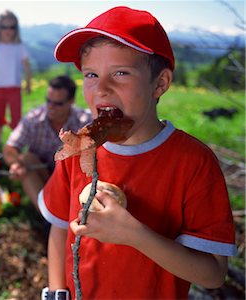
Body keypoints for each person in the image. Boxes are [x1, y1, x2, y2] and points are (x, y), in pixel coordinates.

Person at [38, 6, 236, 300]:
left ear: (160, 83)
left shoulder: (193, 162)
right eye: (91, 74)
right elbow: (59, 229)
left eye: (120, 73)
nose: (102, 89)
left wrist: (133, 235)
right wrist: (56, 293)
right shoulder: (78, 150)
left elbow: (212, 274)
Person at [3, 75, 91, 212]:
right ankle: (47, 215)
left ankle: (71, 211)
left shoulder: (84, 121)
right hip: (42, 177)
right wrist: (15, 164)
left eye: (58, 104)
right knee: (25, 159)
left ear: (71, 102)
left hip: (72, 178)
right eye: (48, 101)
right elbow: (10, 148)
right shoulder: (34, 119)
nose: (51, 107)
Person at [0, 10, 31, 157]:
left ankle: (16, 143)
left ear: (16, 29)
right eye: (5, 27)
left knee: (16, 117)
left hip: (14, 87)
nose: (8, 31)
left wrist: (28, 82)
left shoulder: (19, 46)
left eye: (12, 27)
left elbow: (27, 65)